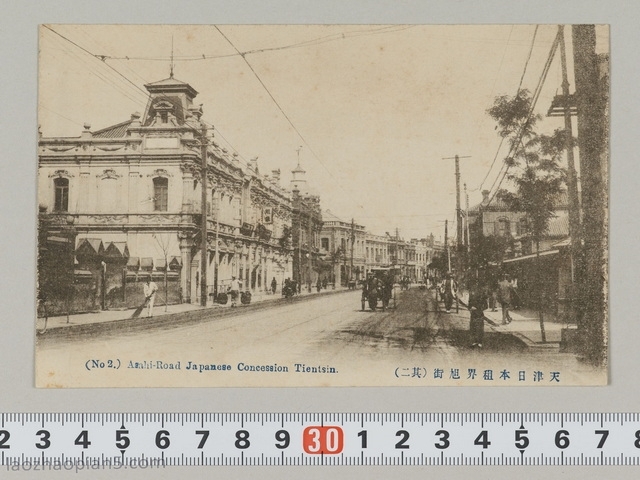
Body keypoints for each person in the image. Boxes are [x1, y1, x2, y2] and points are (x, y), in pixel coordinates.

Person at [468, 279, 488, 348]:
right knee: (473, 327)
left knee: (480, 328)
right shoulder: (472, 294)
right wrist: (470, 307)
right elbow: (469, 303)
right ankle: (474, 341)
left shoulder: (482, 295)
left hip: (479, 313)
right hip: (473, 313)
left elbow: (486, 305)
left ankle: (479, 341)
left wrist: (479, 308)